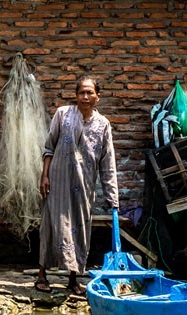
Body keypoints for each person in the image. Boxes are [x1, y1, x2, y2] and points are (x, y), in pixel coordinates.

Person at [35, 76, 119, 295]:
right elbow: (48, 147)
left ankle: (73, 278)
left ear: (97, 97)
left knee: (80, 229)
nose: (85, 96)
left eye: (90, 92)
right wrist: (44, 176)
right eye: (81, 92)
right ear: (76, 95)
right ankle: (42, 275)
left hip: (84, 186)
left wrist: (113, 198)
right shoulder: (63, 114)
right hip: (57, 182)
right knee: (51, 226)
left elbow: (107, 163)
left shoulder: (103, 125)